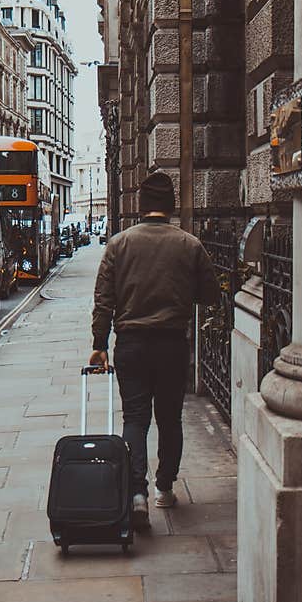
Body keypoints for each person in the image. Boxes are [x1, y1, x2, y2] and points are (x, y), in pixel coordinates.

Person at [89, 172, 221, 531]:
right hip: (171, 345)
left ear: (140, 205)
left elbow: (104, 300)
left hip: (130, 345)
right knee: (169, 418)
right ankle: (165, 487)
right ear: (171, 206)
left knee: (135, 419)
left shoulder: (118, 245)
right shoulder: (189, 244)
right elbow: (210, 295)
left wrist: (99, 345)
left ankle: (136, 495)